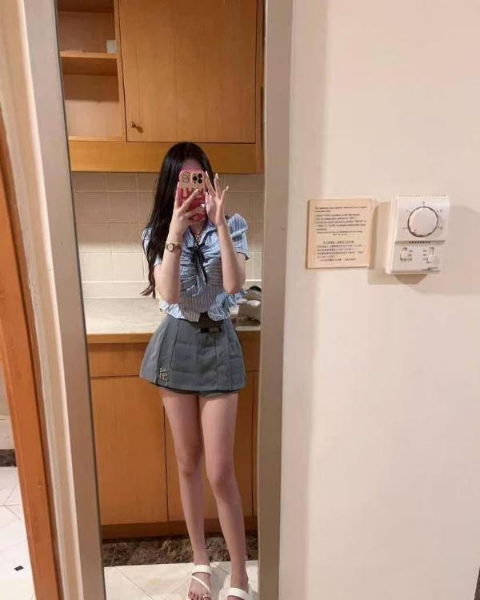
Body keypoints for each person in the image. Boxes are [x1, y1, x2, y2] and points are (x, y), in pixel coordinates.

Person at [140, 142, 252, 600]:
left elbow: (233, 284)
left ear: (210, 181)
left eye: (199, 179)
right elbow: (168, 292)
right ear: (172, 187)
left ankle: (240, 574)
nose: (193, 189)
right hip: (177, 342)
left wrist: (220, 224)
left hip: (219, 342)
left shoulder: (234, 224)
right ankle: (201, 562)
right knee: (188, 463)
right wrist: (175, 229)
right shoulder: (157, 233)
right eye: (184, 181)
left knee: (220, 471)